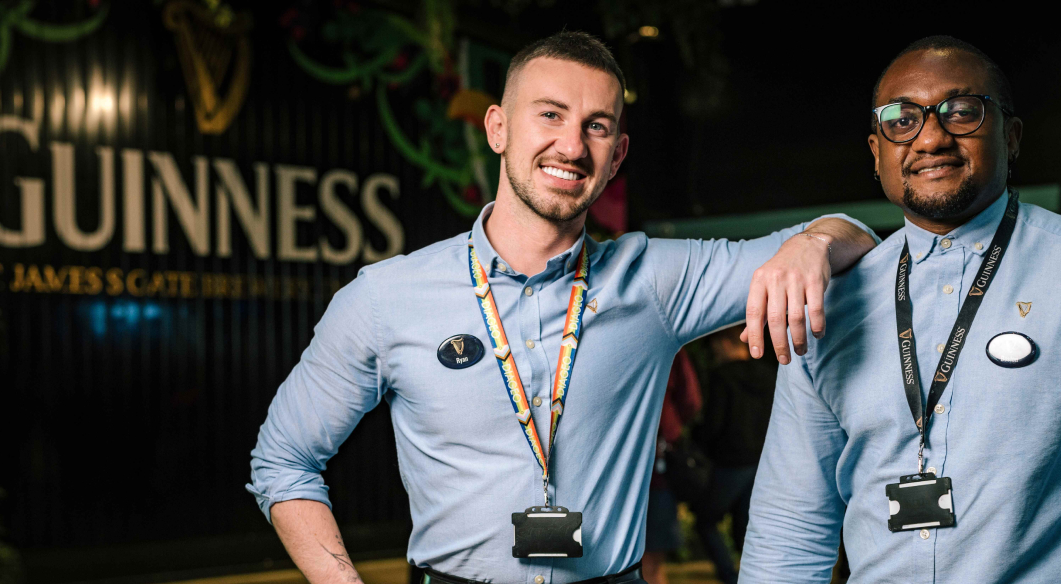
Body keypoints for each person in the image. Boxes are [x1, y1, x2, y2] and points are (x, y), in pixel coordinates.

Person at [248, 31, 878, 584]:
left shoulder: (657, 280)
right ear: (497, 127)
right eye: (549, 114)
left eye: (596, 125)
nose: (572, 146)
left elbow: (858, 237)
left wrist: (813, 241)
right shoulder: (385, 297)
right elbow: (283, 458)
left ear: (618, 154)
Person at [739, 36, 1061, 583]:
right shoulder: (829, 302)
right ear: (876, 151)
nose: (930, 137)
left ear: (1012, 135)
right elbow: (789, 528)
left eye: (962, 112)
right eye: (900, 120)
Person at [690, 325, 776, 584]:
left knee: (705, 521)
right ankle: (758, 576)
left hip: (731, 463)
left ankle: (730, 577)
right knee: (747, 527)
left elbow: (713, 424)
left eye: (715, 346)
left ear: (726, 343)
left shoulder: (722, 377)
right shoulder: (770, 374)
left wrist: (697, 443)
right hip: (763, 462)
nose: (714, 352)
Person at [642, 350, 701, 584]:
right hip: (658, 463)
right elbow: (691, 402)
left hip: (639, 468)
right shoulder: (669, 347)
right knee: (653, 563)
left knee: (647, 564)